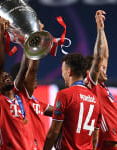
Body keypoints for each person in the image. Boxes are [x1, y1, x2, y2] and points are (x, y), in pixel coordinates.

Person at [0, 17, 42, 149]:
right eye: (1, 76)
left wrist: (31, 39)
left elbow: (24, 69)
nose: (6, 76)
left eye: (7, 75)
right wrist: (1, 34)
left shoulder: (21, 95)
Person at [44, 53, 101, 150]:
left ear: (69, 72)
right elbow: (95, 138)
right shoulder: (95, 99)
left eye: (63, 71)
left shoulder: (64, 94)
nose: (63, 75)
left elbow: (54, 132)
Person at [86, 10, 117, 150]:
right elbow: (99, 56)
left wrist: (101, 28)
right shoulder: (92, 85)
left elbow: (105, 56)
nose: (105, 69)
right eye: (101, 68)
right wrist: (99, 30)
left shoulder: (102, 87)